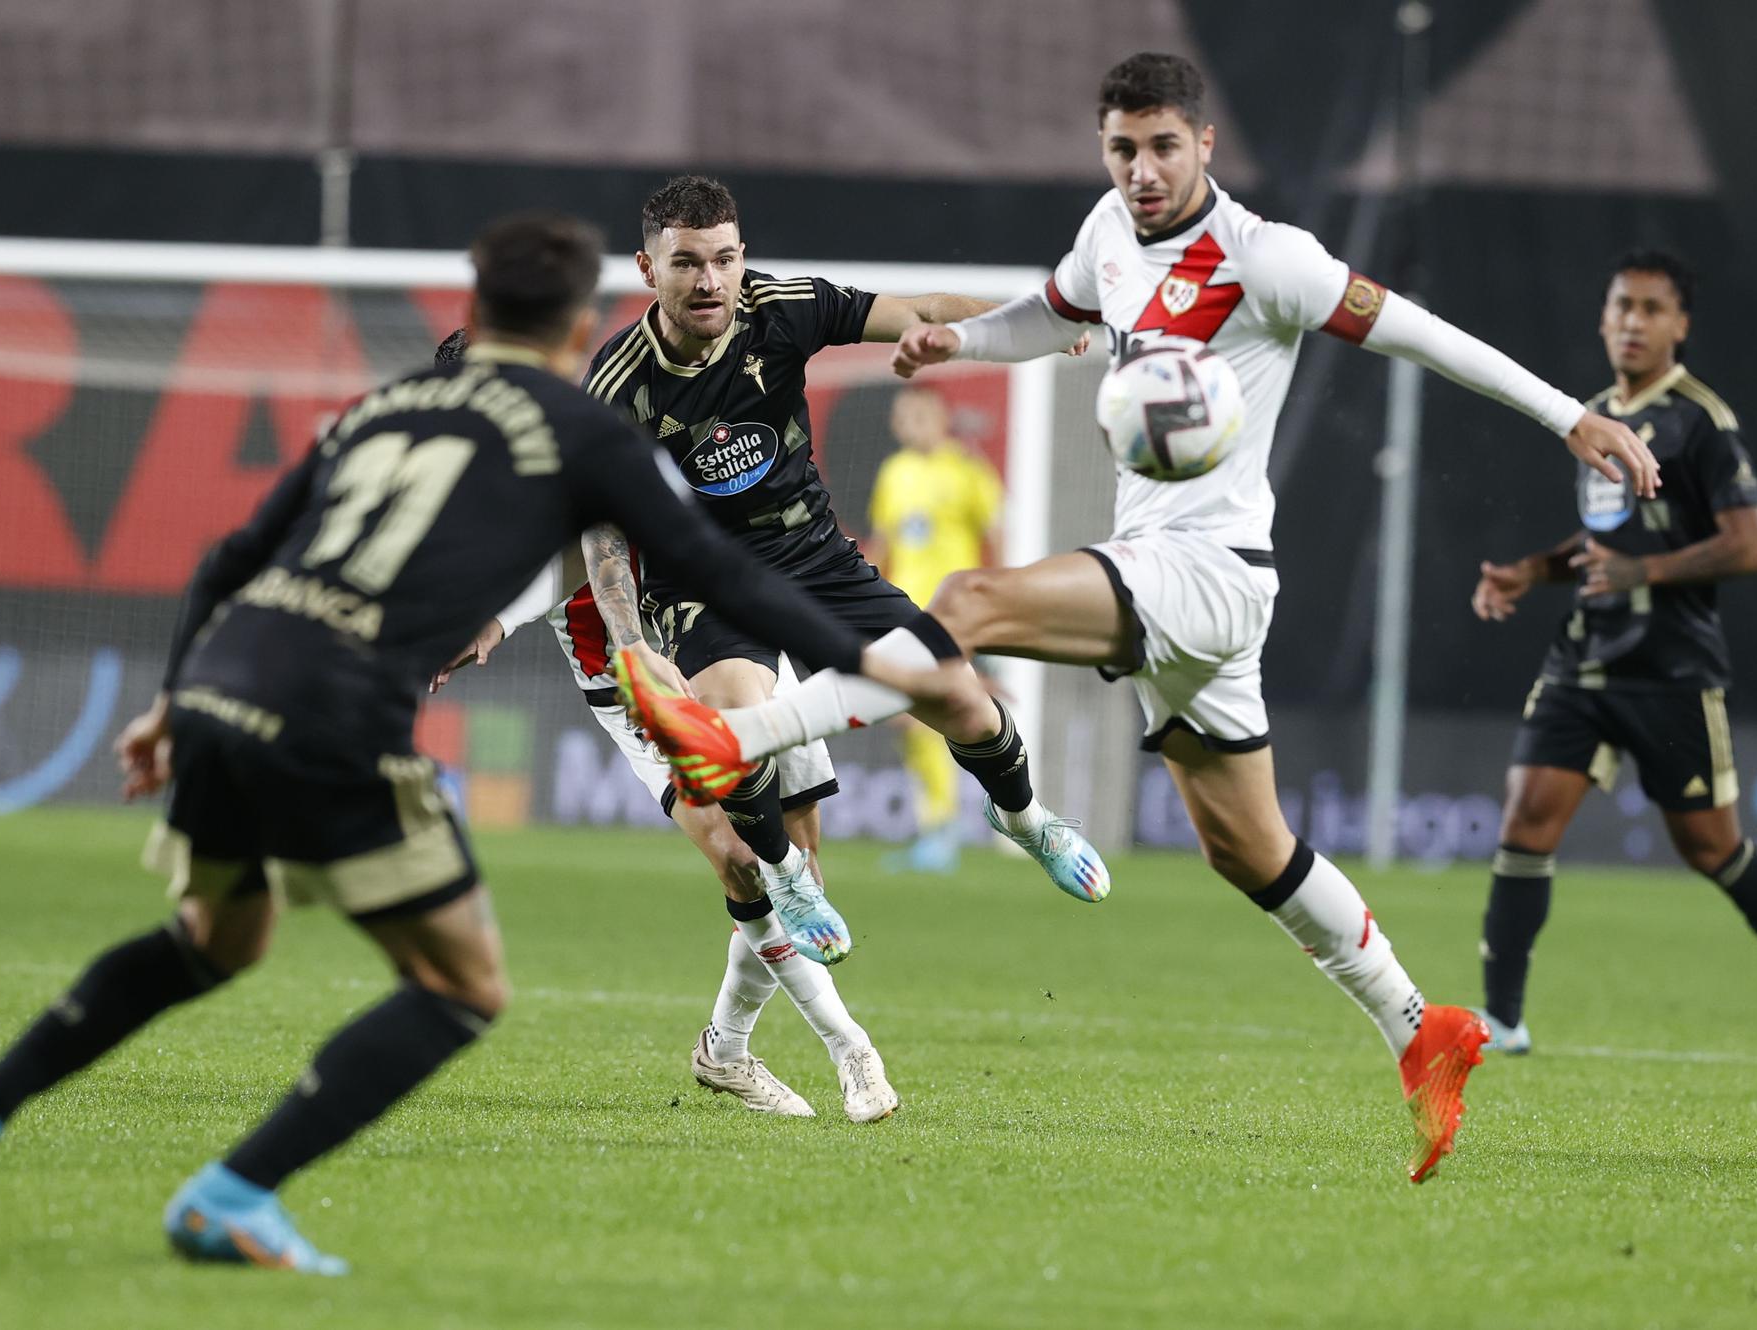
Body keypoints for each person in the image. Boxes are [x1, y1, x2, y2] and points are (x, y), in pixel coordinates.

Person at [617, 53, 1661, 1182]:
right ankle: (1421, 1030)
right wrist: (957, 342)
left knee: (965, 605)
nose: (1142, 168)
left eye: (1163, 145)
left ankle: (738, 738)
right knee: (1245, 847)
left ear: (1203, 143)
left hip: (1206, 568)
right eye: (1121, 147)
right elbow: (1048, 314)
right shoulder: (1108, 236)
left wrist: (1567, 418)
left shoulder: (1269, 259)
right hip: (1167, 578)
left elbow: (1420, 333)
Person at [0, 213, 950, 1272]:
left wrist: (171, 702)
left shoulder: (379, 409)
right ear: (583, 321)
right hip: (332, 715)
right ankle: (229, 1194)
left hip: (223, 682)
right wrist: (886, 664)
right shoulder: (584, 427)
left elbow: (228, 555)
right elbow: (722, 580)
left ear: (472, 309)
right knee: (460, 986)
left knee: (210, 939)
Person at [576, 174, 1110, 969]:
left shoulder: (782, 306)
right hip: (703, 585)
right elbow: (604, 529)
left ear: (742, 256)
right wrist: (629, 643)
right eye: (687, 262)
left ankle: (1026, 819)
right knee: (730, 727)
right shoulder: (618, 384)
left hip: (816, 559)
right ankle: (789, 876)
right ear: (649, 269)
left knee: (962, 697)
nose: (709, 280)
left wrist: (1030, 328)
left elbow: (921, 312)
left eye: (724, 258)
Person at [431, 525, 898, 1123]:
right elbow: (576, 552)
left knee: (803, 873)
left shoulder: (678, 438)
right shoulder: (563, 458)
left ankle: (724, 1050)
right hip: (631, 684)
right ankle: (850, 1048)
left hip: (733, 638)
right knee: (744, 860)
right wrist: (495, 619)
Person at [1469, 249, 1757, 1066]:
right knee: (1524, 825)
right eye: (1622, 305)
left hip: (1670, 668)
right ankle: (1502, 1021)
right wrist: (1534, 571)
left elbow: (1750, 546)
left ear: (1680, 326)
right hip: (1585, 658)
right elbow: (1605, 542)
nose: (1632, 321)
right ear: (1602, 315)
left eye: (1652, 309)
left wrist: (1644, 573)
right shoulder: (1589, 415)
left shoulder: (1701, 422)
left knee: (1710, 848)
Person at [863, 388, 1004, 871]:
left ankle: (955, 825)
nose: (911, 423)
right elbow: (884, 542)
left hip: (953, 613)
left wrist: (995, 604)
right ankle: (938, 829)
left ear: (941, 418)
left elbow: (993, 535)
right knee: (913, 719)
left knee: (943, 713)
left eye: (921, 414)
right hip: (902, 611)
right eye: (904, 416)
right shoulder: (894, 473)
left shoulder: (966, 469)